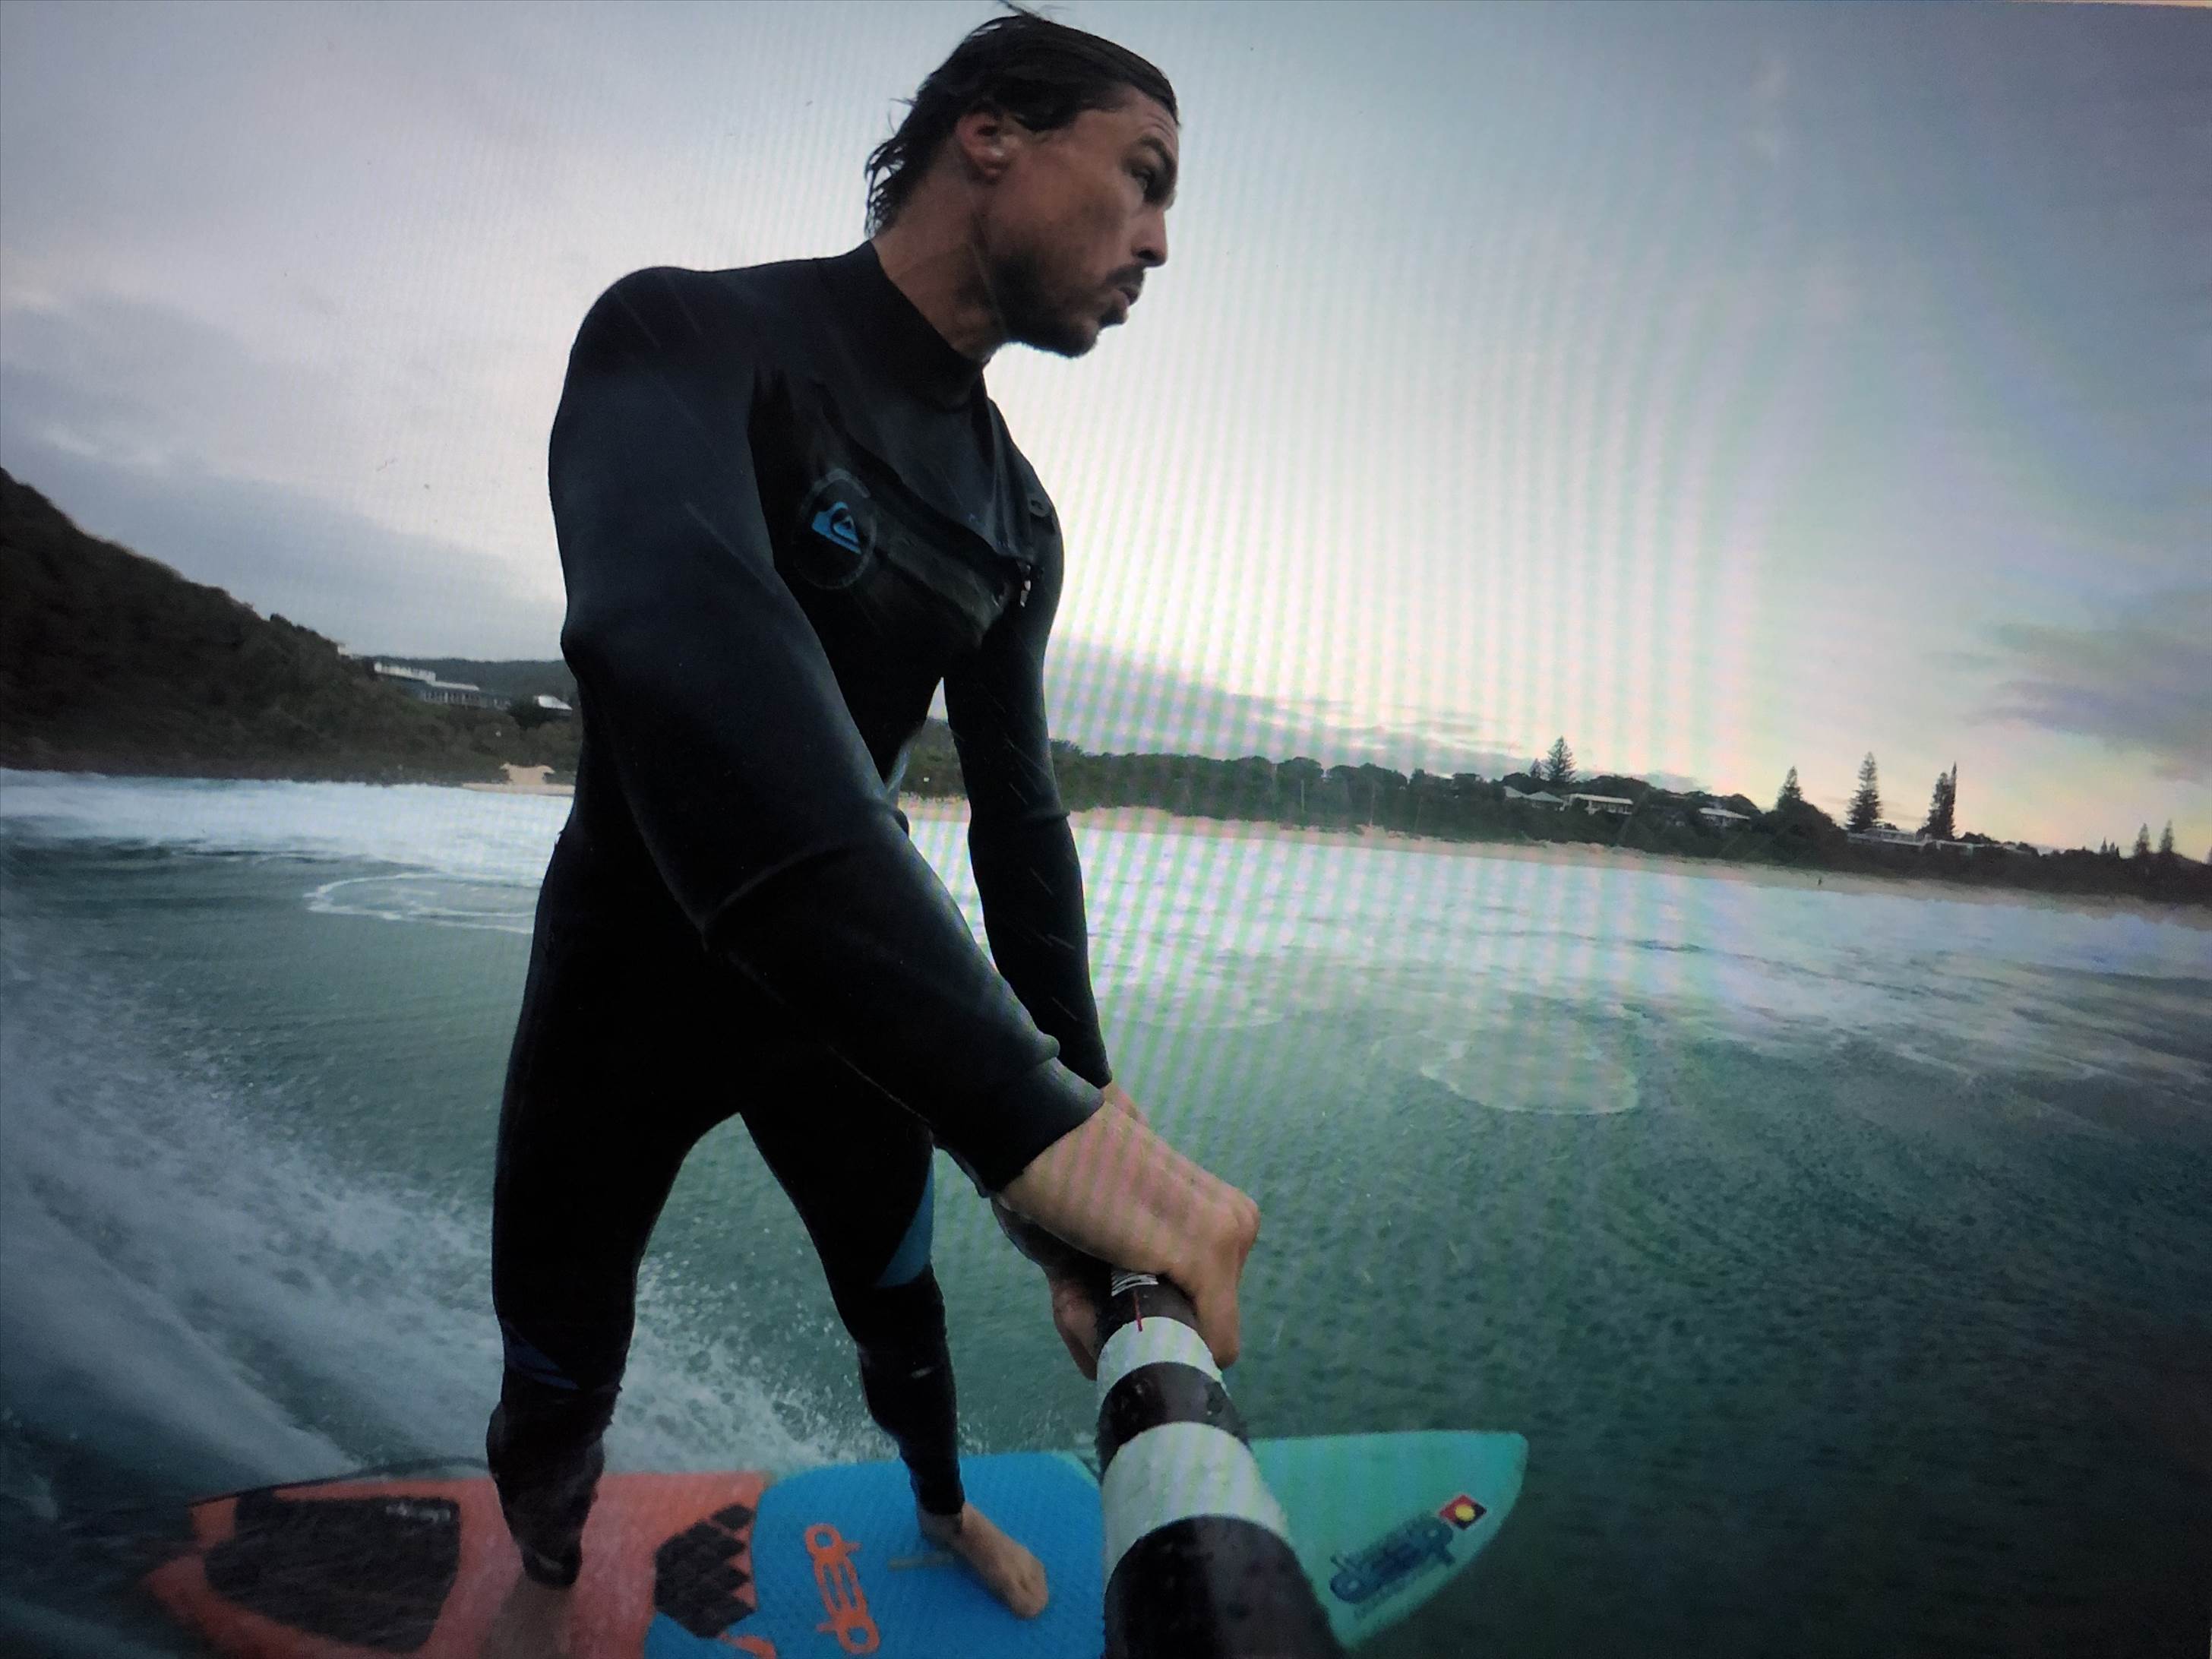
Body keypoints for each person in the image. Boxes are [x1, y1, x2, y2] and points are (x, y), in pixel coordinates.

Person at [484, 7, 1261, 1626]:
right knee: (558, 1344)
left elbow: (1019, 829)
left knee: (899, 1312)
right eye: (1143, 177)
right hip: (621, 979)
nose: (1159, 243)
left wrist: (1084, 1118)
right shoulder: (686, 334)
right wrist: (1027, 1120)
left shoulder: (1016, 517)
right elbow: (673, 649)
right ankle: (544, 1569)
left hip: (835, 1014)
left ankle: (939, 1510)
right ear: (992, 133)